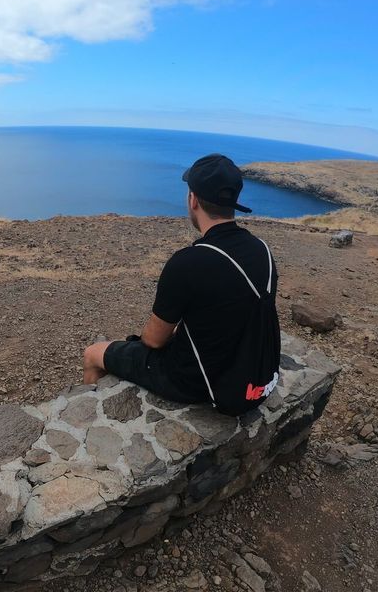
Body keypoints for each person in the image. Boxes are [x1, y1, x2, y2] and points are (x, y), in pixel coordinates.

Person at [82, 153, 280, 415]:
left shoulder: (188, 262)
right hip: (248, 372)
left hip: (193, 381)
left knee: (93, 353)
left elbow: (153, 340)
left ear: (193, 199)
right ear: (233, 202)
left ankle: (85, 414)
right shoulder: (262, 250)